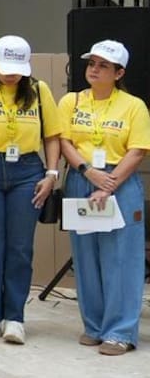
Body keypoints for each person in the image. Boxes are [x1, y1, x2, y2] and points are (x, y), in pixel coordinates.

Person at [0, 36, 61, 344]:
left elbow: (52, 135)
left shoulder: (39, 91)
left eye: (16, 69)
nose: (10, 75)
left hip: (27, 171)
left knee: (20, 247)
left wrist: (51, 173)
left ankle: (15, 317)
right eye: (5, 68)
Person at [58, 40, 150, 356]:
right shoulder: (72, 101)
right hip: (82, 177)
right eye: (91, 63)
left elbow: (137, 150)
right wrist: (87, 172)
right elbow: (65, 141)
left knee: (121, 259)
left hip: (118, 180)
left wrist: (108, 184)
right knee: (86, 257)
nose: (94, 70)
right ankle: (94, 326)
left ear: (119, 73)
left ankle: (120, 332)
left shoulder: (134, 106)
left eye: (103, 66)